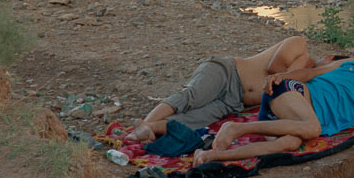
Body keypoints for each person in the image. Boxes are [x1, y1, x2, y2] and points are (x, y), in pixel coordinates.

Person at [194, 60, 354, 162]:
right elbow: (311, 74)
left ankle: (211, 156)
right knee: (312, 127)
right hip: (292, 92)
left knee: (289, 144)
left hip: (286, 119)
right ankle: (235, 128)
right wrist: (281, 77)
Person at [127, 35, 315, 143]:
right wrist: (301, 71)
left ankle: (149, 128)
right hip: (229, 72)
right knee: (191, 97)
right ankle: (144, 124)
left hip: (235, 102)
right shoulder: (298, 43)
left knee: (195, 121)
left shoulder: (308, 78)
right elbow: (275, 70)